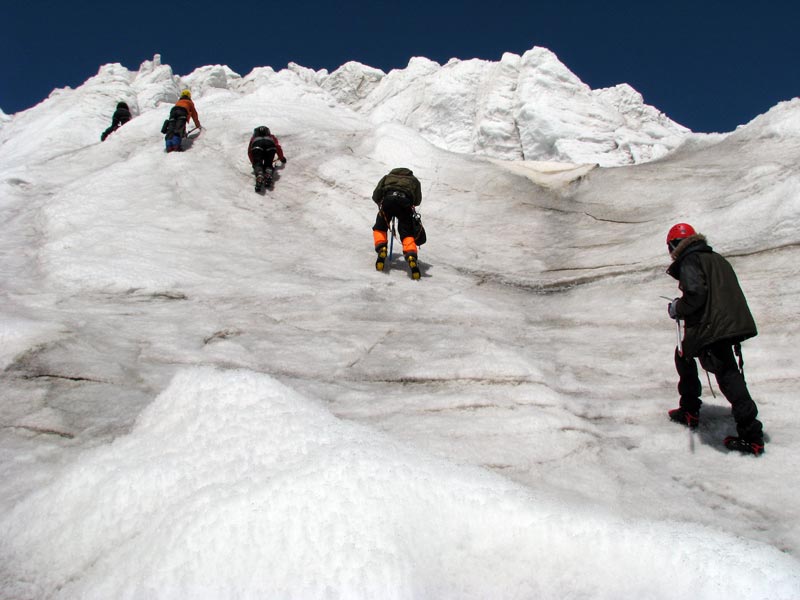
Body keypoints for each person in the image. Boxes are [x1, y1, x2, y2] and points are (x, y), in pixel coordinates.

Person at [665, 223, 765, 456]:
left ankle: (752, 436)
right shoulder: (716, 259)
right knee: (684, 355)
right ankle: (689, 409)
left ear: (674, 245)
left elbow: (696, 294)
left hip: (713, 326)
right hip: (725, 323)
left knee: (728, 376)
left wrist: (677, 307)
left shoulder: (690, 260)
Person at [371, 167, 423, 279]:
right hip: (404, 204)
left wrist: (381, 202)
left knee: (380, 227)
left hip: (388, 201)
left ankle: (381, 248)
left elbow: (376, 195)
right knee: (407, 233)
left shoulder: (387, 177)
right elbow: (417, 200)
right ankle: (411, 256)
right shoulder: (414, 181)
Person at [247, 126, 286, 191]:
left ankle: (259, 174)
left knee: (258, 163)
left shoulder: (253, 138)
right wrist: (282, 158)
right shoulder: (271, 137)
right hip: (270, 146)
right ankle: (268, 173)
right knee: (268, 163)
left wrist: (254, 163)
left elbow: (249, 152)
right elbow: (278, 147)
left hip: (257, 146)